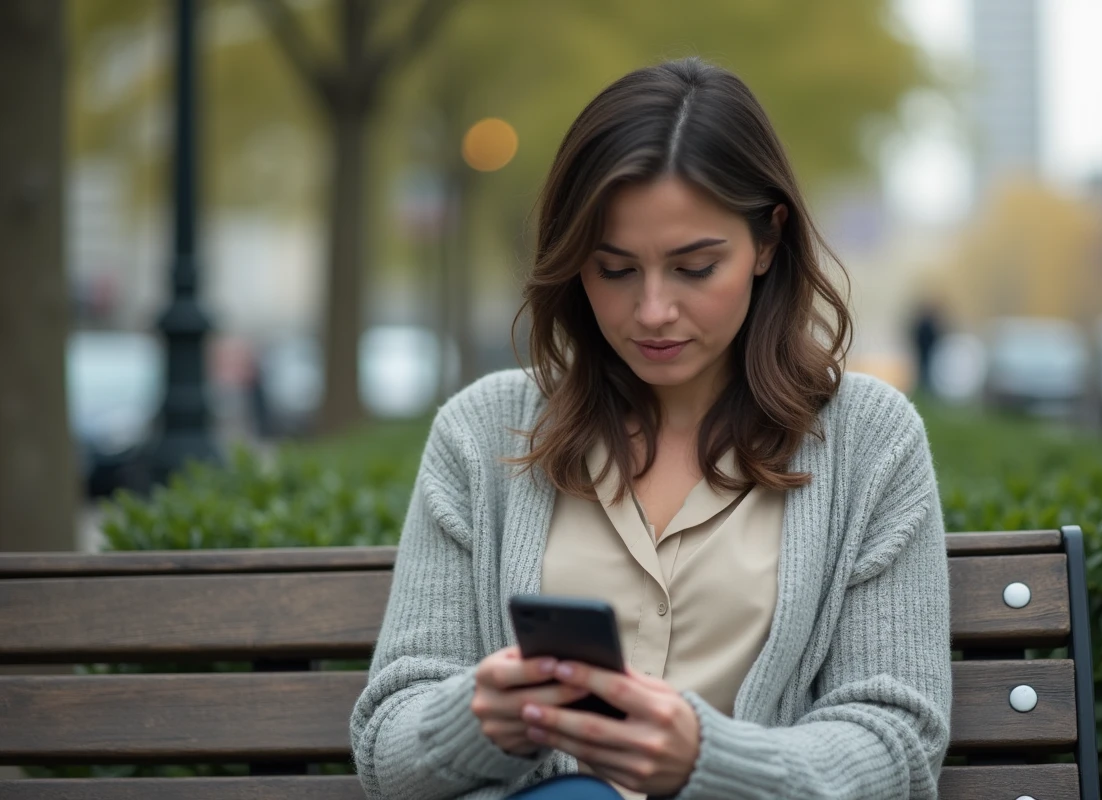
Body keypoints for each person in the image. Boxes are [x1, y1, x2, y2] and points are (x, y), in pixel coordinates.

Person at [350, 57, 951, 800]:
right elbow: (388, 750)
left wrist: (709, 758)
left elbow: (896, 739)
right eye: (615, 269)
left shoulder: (869, 440)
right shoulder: (482, 434)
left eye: (695, 268)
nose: (654, 310)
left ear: (768, 242)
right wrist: (483, 718)